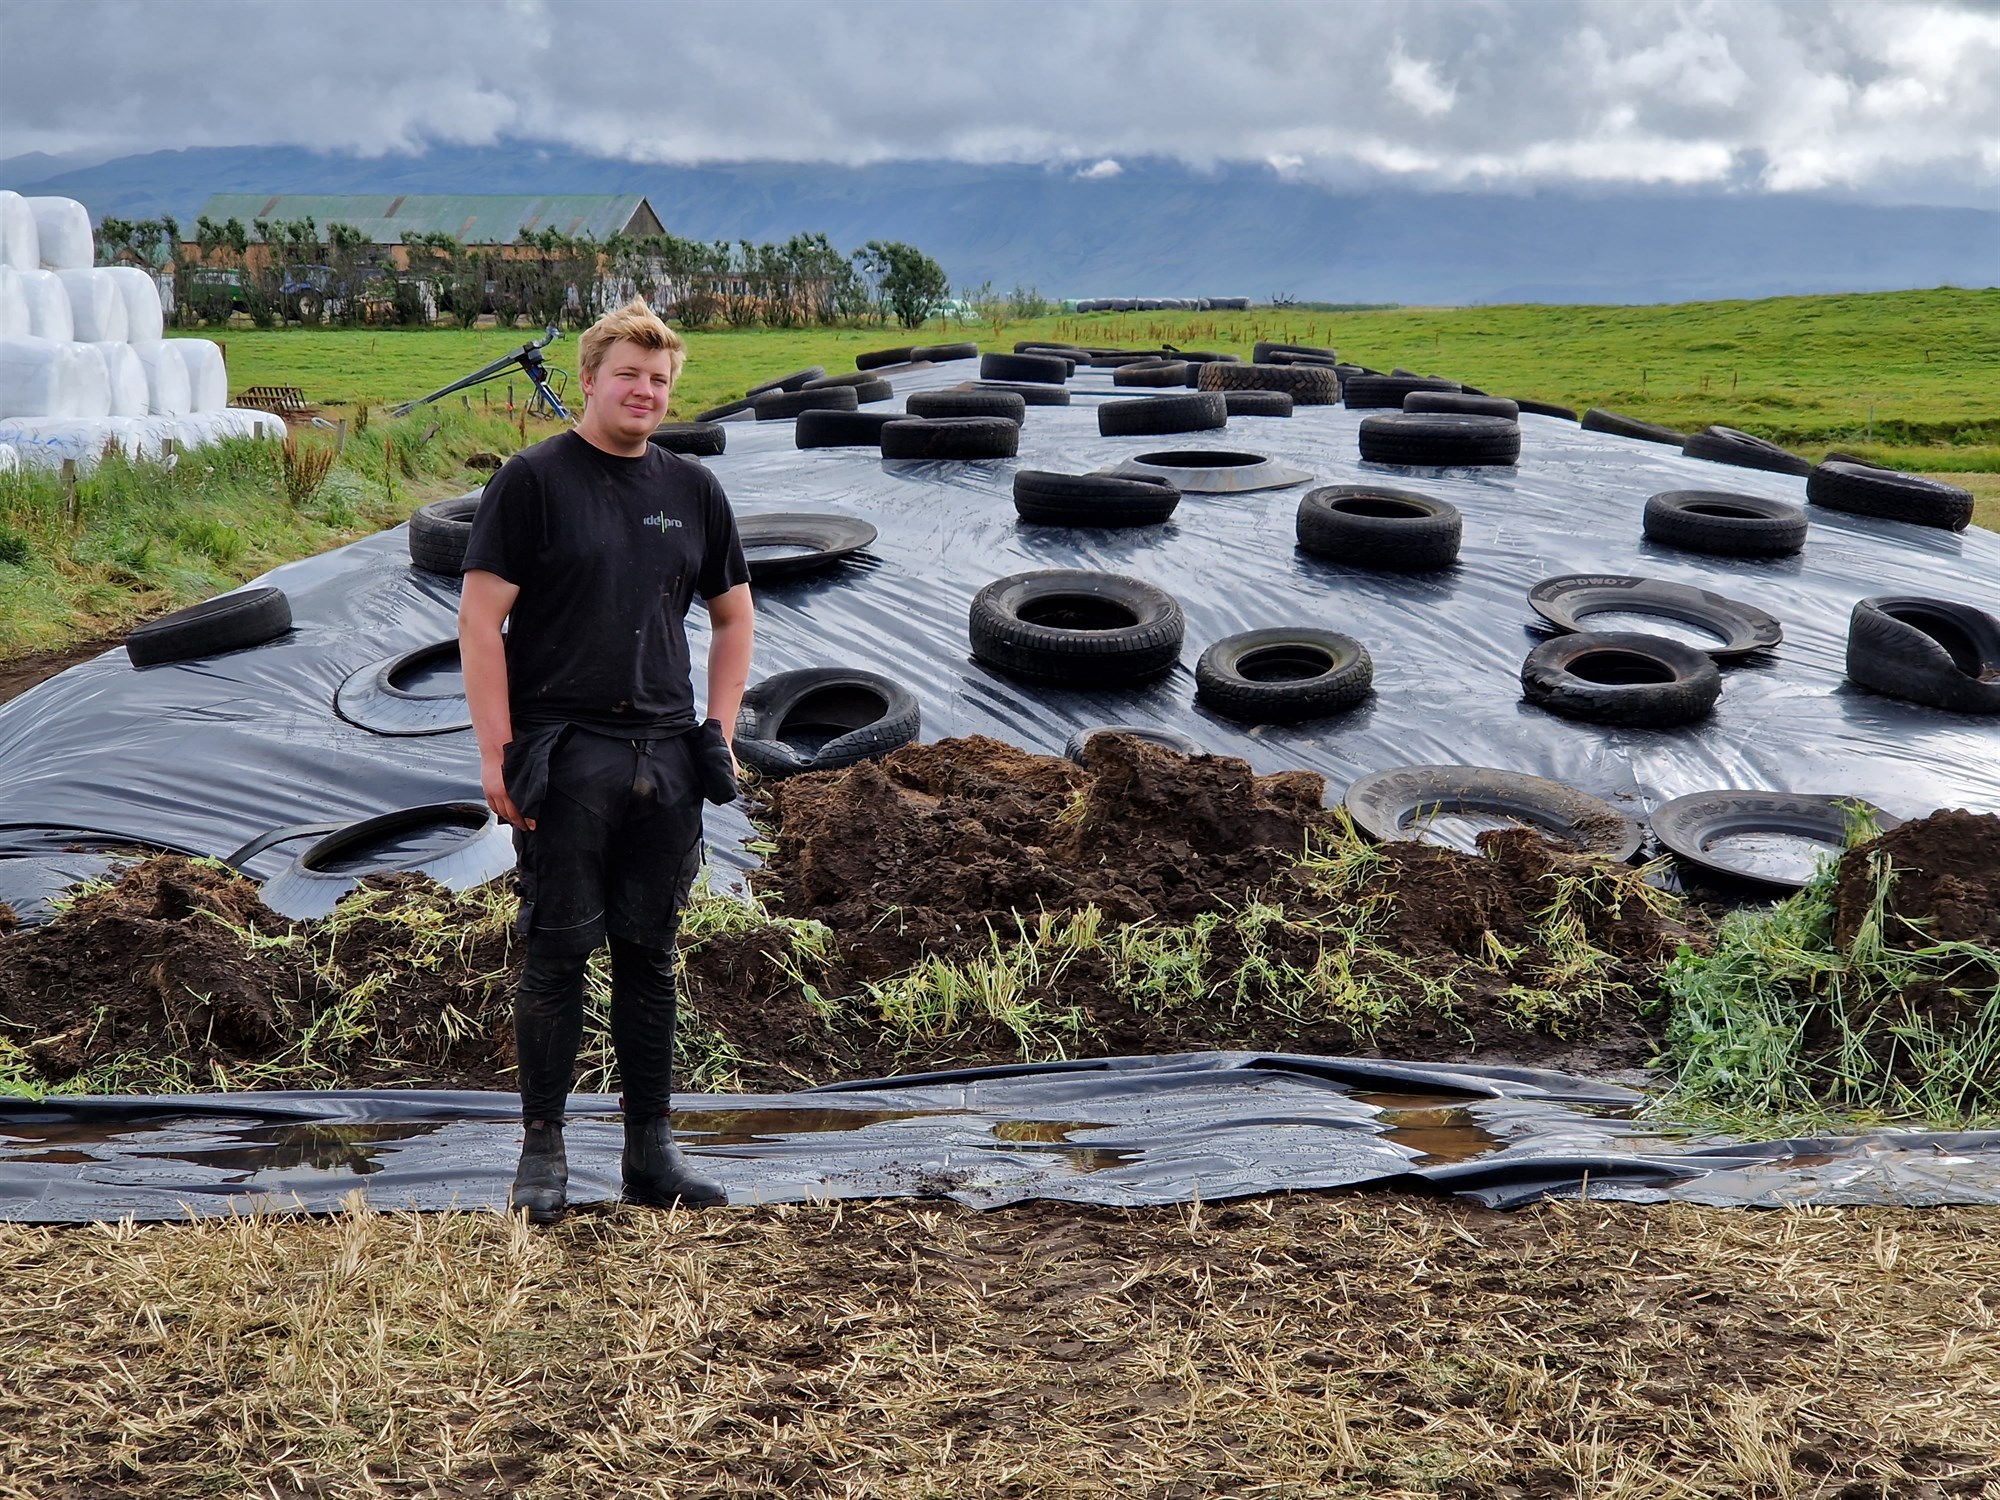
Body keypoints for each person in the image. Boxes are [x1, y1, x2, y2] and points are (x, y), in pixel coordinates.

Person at [458, 296, 754, 1224]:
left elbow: (735, 615)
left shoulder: (692, 490)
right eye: (628, 374)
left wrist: (719, 732)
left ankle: (650, 1153)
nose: (645, 391)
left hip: (666, 758)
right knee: (556, 952)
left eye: (659, 379)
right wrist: (497, 755)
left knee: (650, 954)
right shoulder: (534, 482)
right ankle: (542, 1154)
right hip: (567, 754)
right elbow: (479, 621)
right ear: (588, 379)